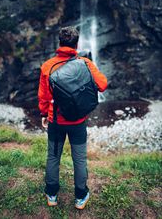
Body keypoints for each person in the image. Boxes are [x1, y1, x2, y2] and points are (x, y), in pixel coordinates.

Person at [38, 26, 107, 210]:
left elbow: (43, 96)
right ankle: (80, 196)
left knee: (53, 157)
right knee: (80, 159)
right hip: (78, 122)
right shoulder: (85, 63)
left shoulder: (47, 66)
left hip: (56, 122)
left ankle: (52, 194)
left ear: (59, 43)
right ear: (76, 44)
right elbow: (103, 84)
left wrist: (44, 114)